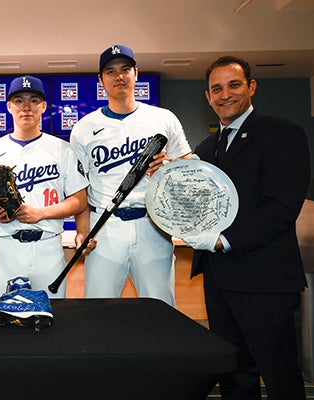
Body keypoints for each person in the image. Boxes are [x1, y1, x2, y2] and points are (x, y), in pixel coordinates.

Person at [183, 56, 310, 399]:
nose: (225, 94)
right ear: (208, 97)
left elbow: (282, 209)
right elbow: (200, 206)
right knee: (234, 376)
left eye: (234, 85)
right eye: (216, 89)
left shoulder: (284, 135)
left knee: (280, 374)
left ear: (251, 87)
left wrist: (224, 240)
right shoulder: (206, 149)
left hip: (265, 280)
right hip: (219, 279)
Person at [70, 44, 192, 305]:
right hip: (104, 226)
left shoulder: (163, 118)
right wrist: (83, 231)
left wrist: (169, 166)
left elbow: (189, 170)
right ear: (101, 80)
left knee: (161, 311)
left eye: (126, 69)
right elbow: (79, 189)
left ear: (136, 73)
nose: (119, 76)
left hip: (153, 224)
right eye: (111, 71)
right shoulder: (84, 128)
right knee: (98, 312)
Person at [0, 75, 89, 298]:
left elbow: (80, 200)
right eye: (19, 100)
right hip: (5, 246)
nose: (26, 106)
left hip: (47, 246)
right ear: (9, 106)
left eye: (34, 100)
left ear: (44, 106)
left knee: (52, 318)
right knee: (3, 317)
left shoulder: (62, 150)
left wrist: (40, 213)